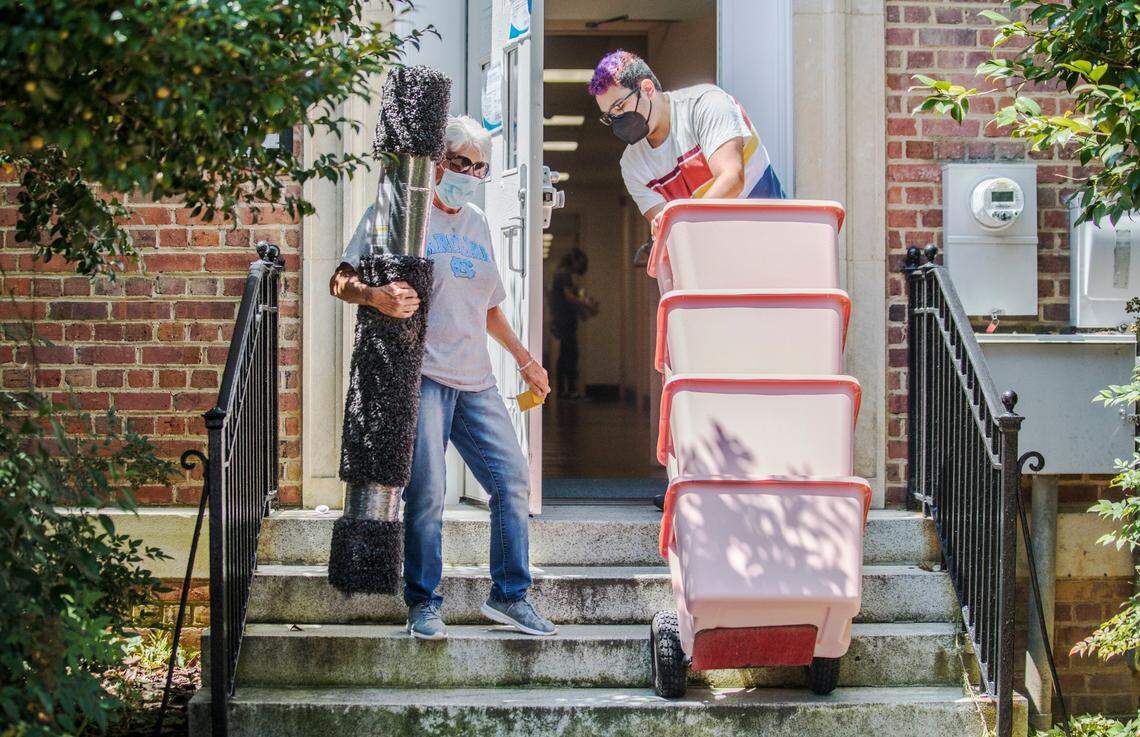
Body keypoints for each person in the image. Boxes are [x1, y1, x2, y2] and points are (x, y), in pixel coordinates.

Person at [329, 115, 557, 640]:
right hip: (424, 376)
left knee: (512, 480)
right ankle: (424, 601)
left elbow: (489, 307)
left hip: (475, 380)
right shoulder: (399, 213)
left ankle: (510, 596)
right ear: (438, 164)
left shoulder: (477, 222)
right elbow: (341, 278)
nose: (471, 174)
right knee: (428, 491)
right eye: (462, 164)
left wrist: (525, 360)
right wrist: (376, 297)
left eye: (481, 167)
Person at [588, 49, 786, 243]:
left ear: (647, 89)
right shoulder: (633, 164)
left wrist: (681, 219)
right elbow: (670, 234)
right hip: (716, 257)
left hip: (772, 236)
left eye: (620, 106)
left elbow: (732, 179)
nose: (618, 119)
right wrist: (671, 224)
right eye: (610, 115)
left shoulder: (707, 104)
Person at [549, 248, 598, 398]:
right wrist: (586, 305)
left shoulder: (561, 273)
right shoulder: (564, 274)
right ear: (575, 260)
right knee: (569, 354)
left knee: (567, 354)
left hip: (562, 319)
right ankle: (568, 390)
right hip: (564, 320)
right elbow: (569, 297)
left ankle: (565, 390)